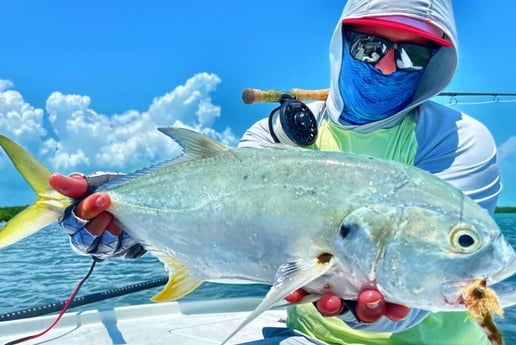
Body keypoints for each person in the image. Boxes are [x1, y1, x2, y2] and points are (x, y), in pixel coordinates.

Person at [49, 0, 502, 344]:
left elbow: (410, 303)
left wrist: (362, 309)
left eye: (412, 56)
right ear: (341, 46)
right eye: (369, 47)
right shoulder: (280, 135)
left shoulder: (460, 139)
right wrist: (125, 223)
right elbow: (215, 212)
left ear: (436, 65)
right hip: (309, 336)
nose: (386, 65)